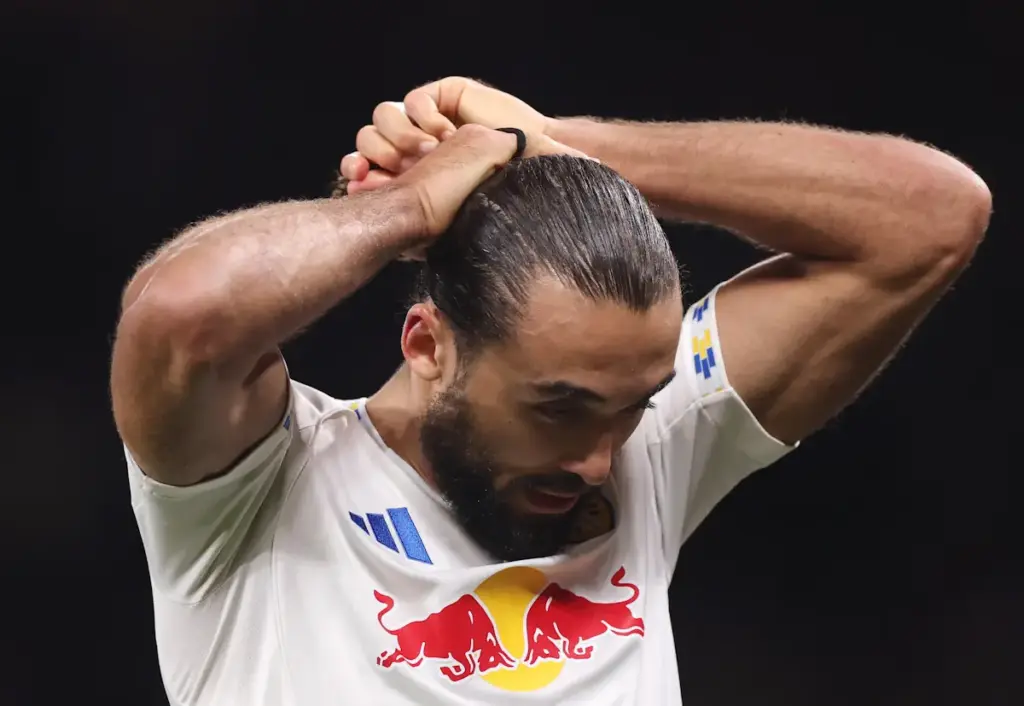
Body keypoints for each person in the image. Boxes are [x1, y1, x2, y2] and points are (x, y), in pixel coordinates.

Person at [111, 77, 990, 706]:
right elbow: (182, 315)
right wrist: (408, 209)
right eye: (557, 407)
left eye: (634, 406)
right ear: (427, 345)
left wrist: (547, 147)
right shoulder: (263, 490)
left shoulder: (642, 453)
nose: (600, 460)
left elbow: (930, 217)